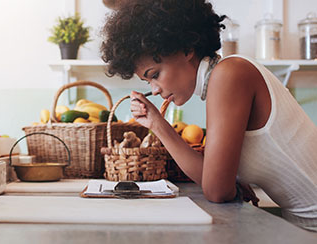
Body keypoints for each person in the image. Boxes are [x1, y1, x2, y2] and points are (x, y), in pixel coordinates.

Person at [100, 0, 317, 231]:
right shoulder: (223, 77)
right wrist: (155, 122)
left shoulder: (229, 74)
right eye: (148, 81)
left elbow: (216, 191)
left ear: (186, 49)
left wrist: (226, 185)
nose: (154, 89)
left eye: (155, 75)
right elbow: (212, 179)